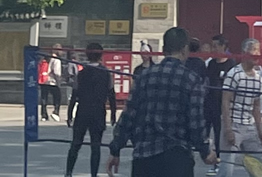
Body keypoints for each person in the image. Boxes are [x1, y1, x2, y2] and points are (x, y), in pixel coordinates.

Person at [109, 26, 215, 177]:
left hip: (144, 158)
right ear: (185, 49)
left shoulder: (144, 77)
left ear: (164, 49)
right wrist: (206, 152)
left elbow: (128, 116)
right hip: (177, 160)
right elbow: (195, 122)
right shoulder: (192, 80)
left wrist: (115, 149)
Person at [220, 38, 262, 177]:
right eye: (254, 50)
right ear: (244, 53)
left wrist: (260, 131)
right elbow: (225, 102)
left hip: (249, 127)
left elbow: (256, 106)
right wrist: (228, 129)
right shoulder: (234, 74)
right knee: (227, 168)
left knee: (257, 168)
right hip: (234, 125)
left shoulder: (258, 78)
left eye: (259, 50)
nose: (257, 54)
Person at [68, 43, 115, 177]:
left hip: (82, 112)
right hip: (98, 113)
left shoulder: (81, 74)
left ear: (87, 55)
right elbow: (111, 95)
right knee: (96, 146)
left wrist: (70, 113)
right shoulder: (106, 74)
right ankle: (93, 174)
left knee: (75, 144)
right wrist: (112, 113)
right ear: (101, 55)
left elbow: (74, 94)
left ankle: (68, 172)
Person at [204, 35, 235, 164]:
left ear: (223, 46)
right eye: (213, 46)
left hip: (222, 104)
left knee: (219, 132)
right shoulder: (211, 63)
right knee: (205, 130)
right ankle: (205, 153)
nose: (214, 48)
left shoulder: (231, 63)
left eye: (216, 46)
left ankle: (219, 156)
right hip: (209, 102)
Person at [40, 46, 63, 122]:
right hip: (53, 82)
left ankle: (44, 115)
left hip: (44, 80)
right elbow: (56, 72)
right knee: (57, 98)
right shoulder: (56, 60)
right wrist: (59, 81)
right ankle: (55, 112)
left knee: (44, 98)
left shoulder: (46, 58)